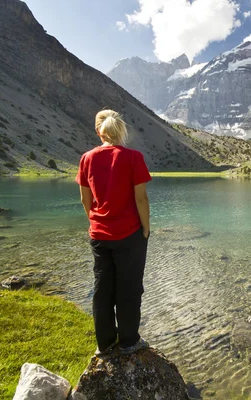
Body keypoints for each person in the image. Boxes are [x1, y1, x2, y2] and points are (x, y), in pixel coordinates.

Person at [76, 109, 152, 356]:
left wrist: (96, 222)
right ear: (121, 130)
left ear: (100, 131)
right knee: (129, 289)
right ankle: (129, 342)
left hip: (99, 235)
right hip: (129, 234)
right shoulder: (133, 157)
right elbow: (141, 199)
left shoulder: (87, 158)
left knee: (103, 288)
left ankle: (105, 343)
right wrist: (146, 228)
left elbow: (85, 199)